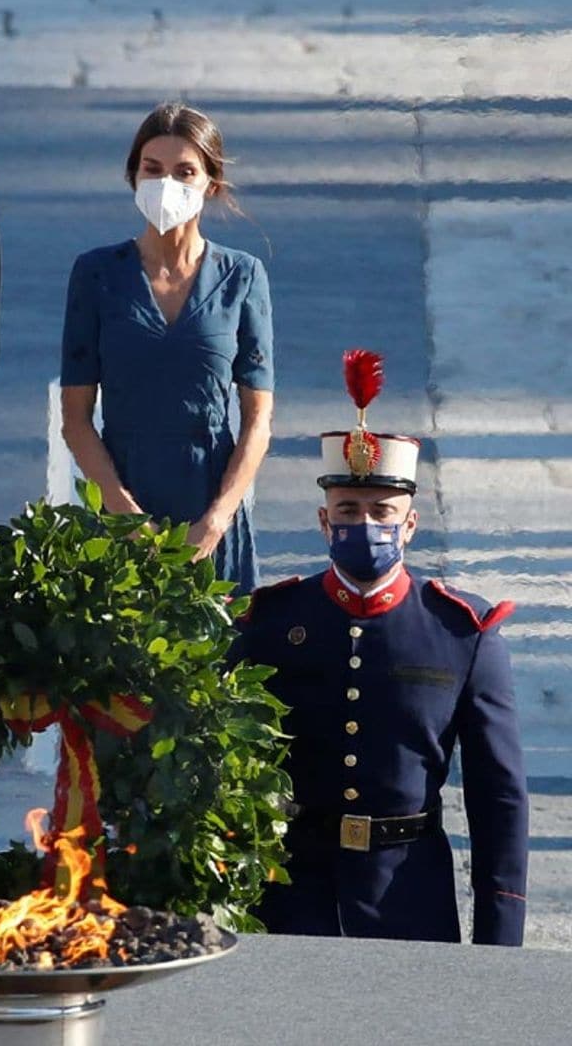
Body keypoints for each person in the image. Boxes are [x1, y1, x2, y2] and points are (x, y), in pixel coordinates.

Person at [230, 350, 529, 945]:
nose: (364, 524)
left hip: (408, 894)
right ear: (323, 520)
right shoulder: (270, 622)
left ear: (410, 525)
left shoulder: (462, 632)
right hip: (292, 890)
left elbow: (498, 796)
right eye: (347, 510)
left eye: (381, 512)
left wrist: (501, 935)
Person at [60, 102, 273, 593]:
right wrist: (123, 514)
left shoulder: (242, 276)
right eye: (152, 170)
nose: (166, 185)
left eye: (185, 172)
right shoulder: (97, 274)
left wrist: (217, 519)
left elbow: (258, 419)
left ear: (211, 185)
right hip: (121, 506)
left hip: (209, 509)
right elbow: (76, 416)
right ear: (133, 176)